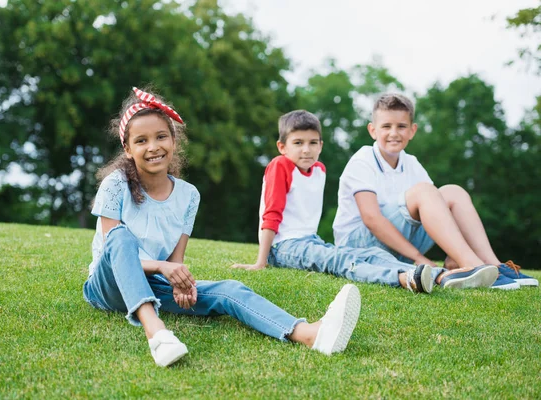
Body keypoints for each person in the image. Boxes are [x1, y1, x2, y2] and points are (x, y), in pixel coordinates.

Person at [83, 87, 362, 368]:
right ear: (128, 149)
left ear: (174, 140)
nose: (153, 146)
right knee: (121, 236)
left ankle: (308, 334)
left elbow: (175, 262)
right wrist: (162, 268)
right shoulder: (116, 184)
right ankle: (156, 333)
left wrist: (181, 283)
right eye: (141, 141)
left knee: (230, 290)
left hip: (152, 284)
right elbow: (114, 250)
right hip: (106, 287)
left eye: (161, 137)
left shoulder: (189, 195)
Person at [232, 110, 497, 292]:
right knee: (340, 263)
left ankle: (437, 274)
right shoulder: (280, 166)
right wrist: (262, 261)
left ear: (321, 145)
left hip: (309, 241)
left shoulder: (319, 170)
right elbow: (271, 215)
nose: (306, 149)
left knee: (372, 253)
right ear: (282, 146)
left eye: (313, 143)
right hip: (285, 246)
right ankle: (404, 277)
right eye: (298, 142)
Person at [332, 93, 537, 290]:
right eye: (386, 126)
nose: (394, 133)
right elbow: (371, 218)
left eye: (401, 126)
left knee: (452, 192)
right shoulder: (363, 160)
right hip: (359, 245)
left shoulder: (410, 163)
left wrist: (451, 253)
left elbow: (437, 208)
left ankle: (493, 265)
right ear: (373, 130)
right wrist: (419, 258)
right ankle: (473, 266)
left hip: (397, 242)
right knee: (424, 191)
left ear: (412, 131)